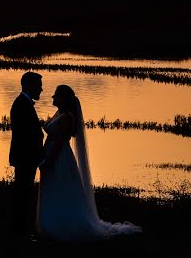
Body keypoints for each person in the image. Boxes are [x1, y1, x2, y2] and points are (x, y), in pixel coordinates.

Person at [37, 85, 142, 242]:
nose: (53, 97)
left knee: (60, 188)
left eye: (56, 95)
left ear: (64, 98)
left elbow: (59, 143)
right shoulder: (60, 113)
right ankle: (49, 222)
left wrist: (49, 161)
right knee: (53, 188)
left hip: (59, 158)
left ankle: (60, 224)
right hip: (51, 153)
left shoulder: (67, 117)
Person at [8, 71, 44, 236]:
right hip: (25, 158)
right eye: (39, 86)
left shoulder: (24, 103)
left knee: (24, 194)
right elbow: (26, 136)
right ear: (29, 85)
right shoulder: (22, 104)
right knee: (23, 195)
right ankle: (21, 230)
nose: (41, 90)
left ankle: (21, 228)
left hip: (26, 158)